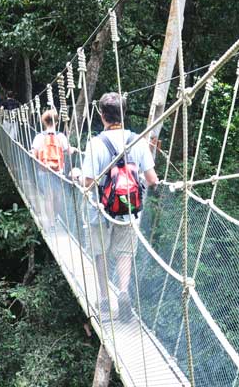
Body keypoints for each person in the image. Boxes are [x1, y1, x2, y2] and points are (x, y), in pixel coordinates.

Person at [81, 92, 158, 321]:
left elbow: (87, 182)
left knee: (100, 253)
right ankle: (123, 292)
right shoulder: (139, 140)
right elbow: (152, 179)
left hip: (100, 209)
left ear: (102, 115)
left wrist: (76, 175)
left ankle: (105, 299)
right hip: (128, 210)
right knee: (124, 254)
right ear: (124, 114)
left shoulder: (95, 144)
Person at [31, 109, 72, 224]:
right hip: (58, 171)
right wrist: (72, 149)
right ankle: (56, 218)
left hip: (44, 171)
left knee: (48, 197)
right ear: (57, 122)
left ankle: (51, 223)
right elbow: (68, 151)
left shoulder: (39, 137)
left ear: (44, 122)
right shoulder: (61, 136)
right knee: (58, 196)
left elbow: (33, 155)